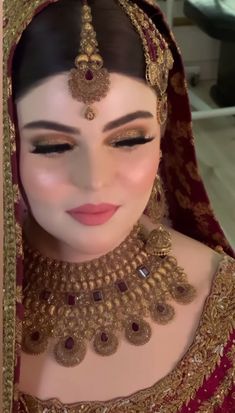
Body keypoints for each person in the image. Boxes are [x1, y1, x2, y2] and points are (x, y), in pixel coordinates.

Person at [3, 0, 235, 412]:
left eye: (129, 139)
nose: (94, 179)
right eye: (53, 145)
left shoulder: (226, 309)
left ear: (163, 132)